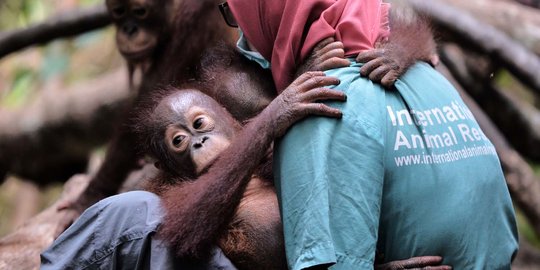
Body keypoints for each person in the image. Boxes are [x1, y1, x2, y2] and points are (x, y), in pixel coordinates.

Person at [224, 0, 519, 269]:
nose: (241, 35)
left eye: (235, 15)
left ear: (265, 13)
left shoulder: (313, 105)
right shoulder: (433, 79)